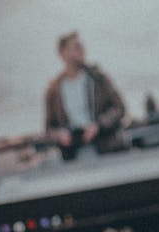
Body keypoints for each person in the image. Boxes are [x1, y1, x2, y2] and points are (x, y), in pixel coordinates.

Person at [44, 31, 127, 160]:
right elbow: (49, 129)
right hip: (73, 153)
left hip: (105, 147)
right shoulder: (53, 90)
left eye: (81, 46)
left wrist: (98, 126)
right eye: (76, 47)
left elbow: (119, 109)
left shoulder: (98, 79)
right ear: (62, 53)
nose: (81, 50)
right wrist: (61, 135)